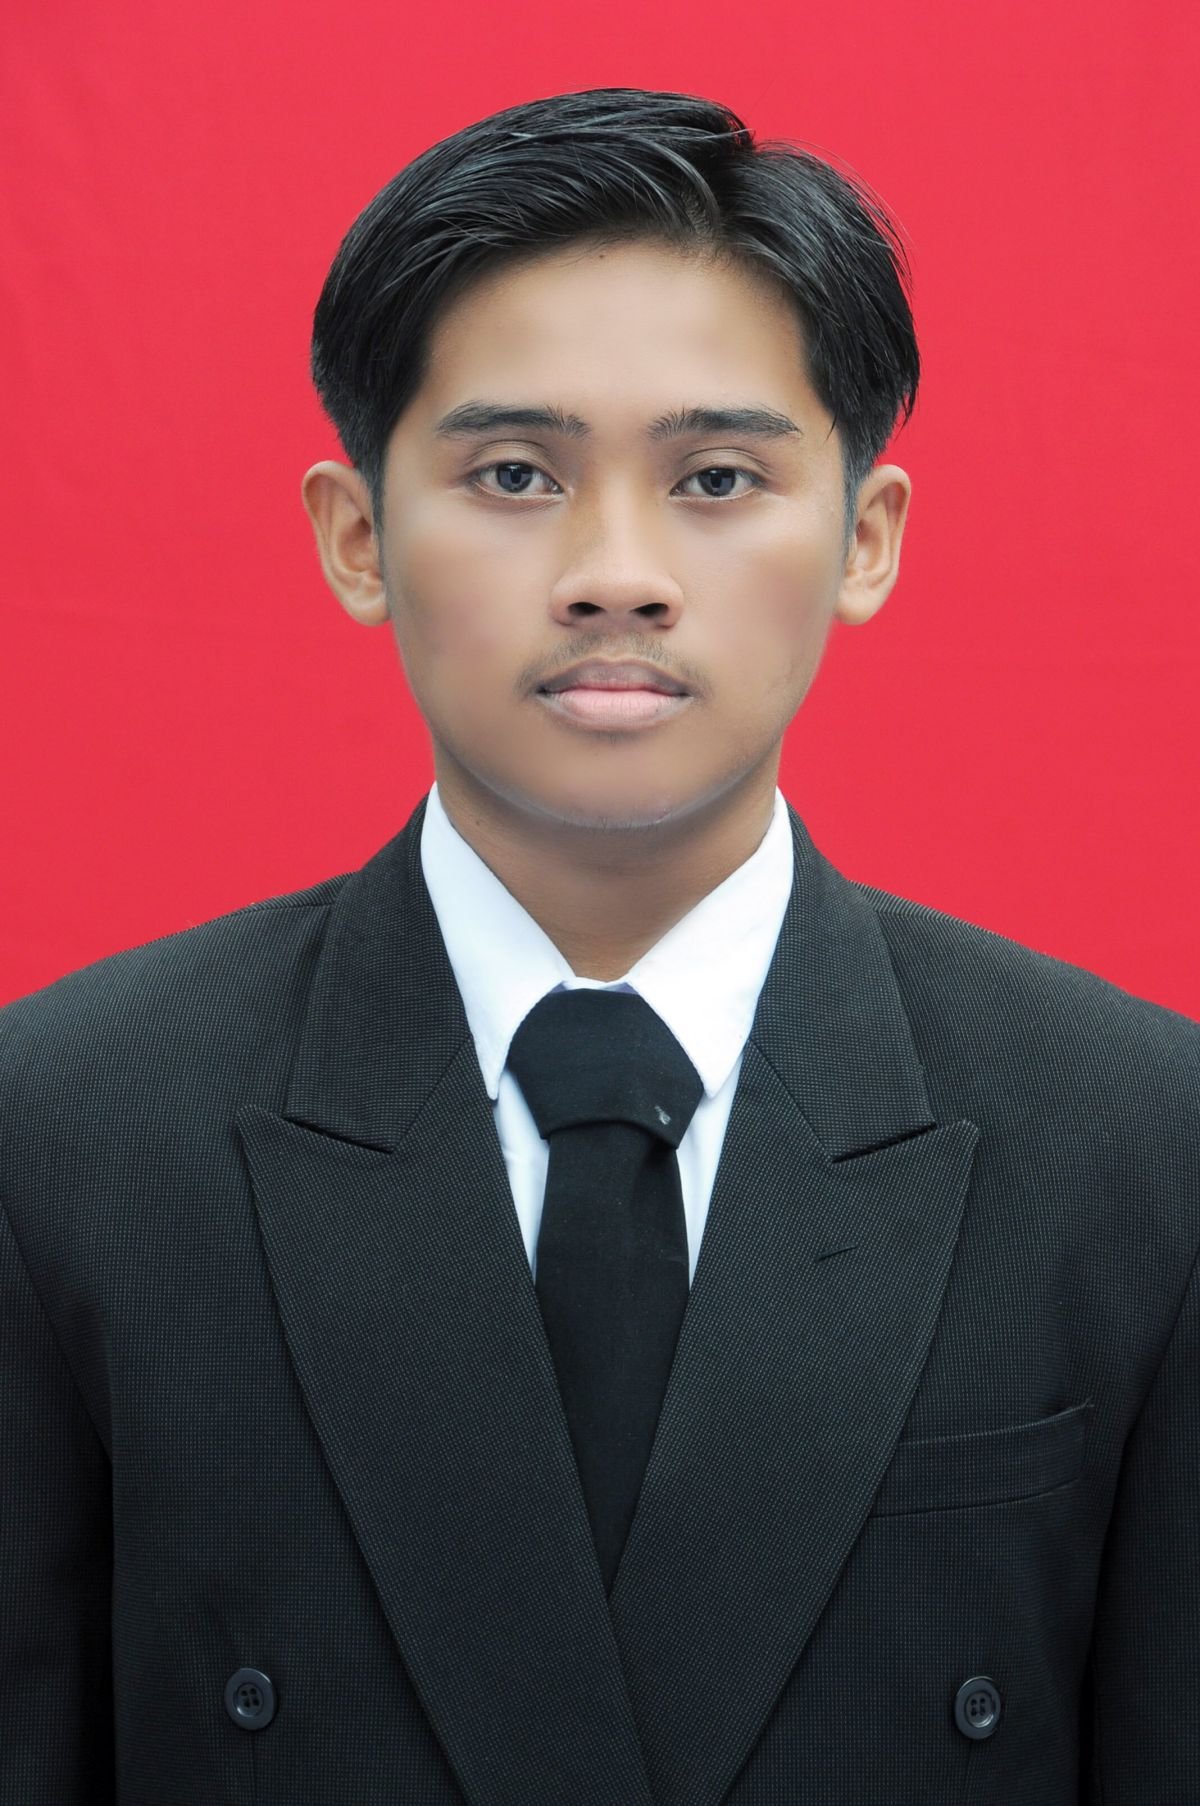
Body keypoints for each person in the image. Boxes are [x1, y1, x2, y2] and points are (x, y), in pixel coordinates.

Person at [1, 84, 1197, 1806]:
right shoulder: (63, 1134)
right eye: (514, 474)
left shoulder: (1139, 1143)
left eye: (716, 478)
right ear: (357, 536)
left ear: (864, 537)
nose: (616, 574)